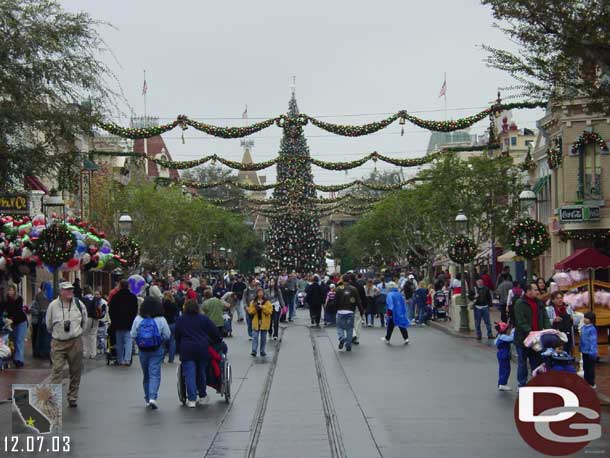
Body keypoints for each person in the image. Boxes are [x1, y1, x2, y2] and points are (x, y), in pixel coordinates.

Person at [46, 282, 88, 407]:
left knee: (75, 371)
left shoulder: (79, 304)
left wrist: (78, 333)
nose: (70, 292)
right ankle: (52, 398)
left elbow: (84, 322)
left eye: (71, 289)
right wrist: (57, 334)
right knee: (56, 370)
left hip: (75, 341)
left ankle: (73, 397)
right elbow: (48, 325)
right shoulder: (53, 305)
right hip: (58, 342)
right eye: (67, 290)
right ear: (61, 292)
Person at [175, 299, 221, 408]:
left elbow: (177, 335)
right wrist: (217, 339)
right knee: (201, 372)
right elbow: (214, 332)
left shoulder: (181, 320)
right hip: (202, 348)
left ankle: (191, 399)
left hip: (187, 349)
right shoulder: (203, 319)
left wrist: (179, 345)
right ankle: (202, 395)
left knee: (189, 374)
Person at [130, 296, 170, 409]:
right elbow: (167, 335)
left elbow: (133, 334)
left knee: (146, 375)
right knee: (154, 374)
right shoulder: (161, 319)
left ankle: (147, 398)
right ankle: (153, 397)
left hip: (143, 350)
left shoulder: (138, 319)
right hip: (157, 349)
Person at [514, 283, 551, 387]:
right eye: (535, 290)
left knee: (536, 360)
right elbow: (520, 321)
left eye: (537, 290)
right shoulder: (520, 303)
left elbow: (545, 317)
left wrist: (548, 329)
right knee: (522, 362)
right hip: (523, 339)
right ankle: (522, 383)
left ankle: (535, 382)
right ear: (528, 291)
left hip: (536, 339)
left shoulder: (539, 303)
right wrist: (530, 331)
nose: (537, 292)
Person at [108, 279, 139, 366]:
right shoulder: (133, 297)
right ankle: (127, 360)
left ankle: (119, 359)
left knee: (119, 342)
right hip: (129, 322)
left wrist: (113, 320)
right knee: (128, 341)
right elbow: (135, 310)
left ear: (120, 286)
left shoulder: (115, 296)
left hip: (117, 323)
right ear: (128, 286)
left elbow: (111, 310)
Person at [0, 284, 28, 368]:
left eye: (11, 290)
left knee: (19, 341)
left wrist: (12, 319)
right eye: (8, 290)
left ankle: (19, 360)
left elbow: (18, 311)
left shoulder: (19, 299)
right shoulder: (5, 301)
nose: (10, 292)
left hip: (21, 321)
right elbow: (2, 310)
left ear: (15, 291)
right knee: (12, 341)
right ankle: (13, 358)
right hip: (11, 323)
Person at [335, 275, 362, 352]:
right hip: (350, 311)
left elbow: (335, 301)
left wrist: (335, 309)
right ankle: (348, 345)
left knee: (340, 327)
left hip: (340, 311)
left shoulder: (338, 289)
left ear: (342, 280)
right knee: (349, 328)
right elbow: (358, 301)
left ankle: (342, 337)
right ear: (349, 280)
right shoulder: (354, 289)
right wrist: (361, 311)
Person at [247, 288, 272, 357]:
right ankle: (254, 350)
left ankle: (262, 351)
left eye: (261, 292)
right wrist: (256, 308)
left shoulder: (267, 302)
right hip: (256, 322)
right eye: (259, 292)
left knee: (263, 338)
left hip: (264, 322)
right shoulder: (253, 302)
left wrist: (262, 307)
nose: (260, 294)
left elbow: (269, 311)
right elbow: (250, 311)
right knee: (255, 337)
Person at [31, 282, 52, 358]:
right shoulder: (42, 295)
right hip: (42, 316)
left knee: (42, 335)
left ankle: (41, 351)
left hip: (44, 316)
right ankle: (42, 352)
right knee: (43, 335)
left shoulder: (46, 295)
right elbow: (35, 305)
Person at [81, 286, 101, 359]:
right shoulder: (95, 298)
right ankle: (93, 353)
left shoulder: (83, 299)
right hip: (95, 318)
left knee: (85, 335)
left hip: (87, 318)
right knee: (93, 335)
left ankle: (86, 352)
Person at [494, 321, 514, 391]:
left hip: (500, 354)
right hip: (504, 354)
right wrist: (514, 332)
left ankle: (501, 383)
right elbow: (512, 339)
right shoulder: (503, 337)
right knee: (506, 369)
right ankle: (502, 384)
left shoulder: (499, 337)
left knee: (502, 369)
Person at [580, 312, 597, 388]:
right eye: (584, 317)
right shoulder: (583, 328)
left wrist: (592, 351)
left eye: (587, 318)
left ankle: (591, 382)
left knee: (590, 368)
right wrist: (580, 346)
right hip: (584, 351)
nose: (585, 319)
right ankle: (586, 381)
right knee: (585, 367)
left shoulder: (592, 329)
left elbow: (593, 341)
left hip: (590, 352)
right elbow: (582, 339)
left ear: (591, 320)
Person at [162, 291, 179, 363]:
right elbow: (177, 313)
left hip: (165, 323)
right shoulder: (174, 304)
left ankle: (161, 358)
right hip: (173, 323)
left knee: (163, 341)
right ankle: (171, 358)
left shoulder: (163, 304)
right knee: (172, 341)